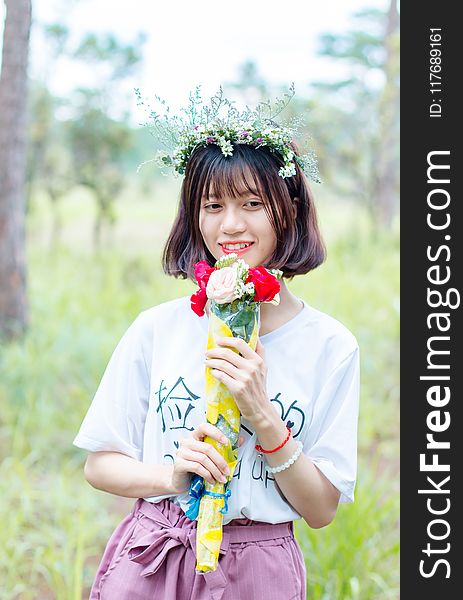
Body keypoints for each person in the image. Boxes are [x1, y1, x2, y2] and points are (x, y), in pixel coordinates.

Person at [73, 94, 360, 600]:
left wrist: (263, 416)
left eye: (252, 203)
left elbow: (320, 510)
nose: (230, 225)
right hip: (152, 556)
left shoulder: (330, 347)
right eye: (213, 205)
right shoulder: (156, 328)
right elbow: (100, 464)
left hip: (259, 569)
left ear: (289, 208)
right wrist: (172, 476)